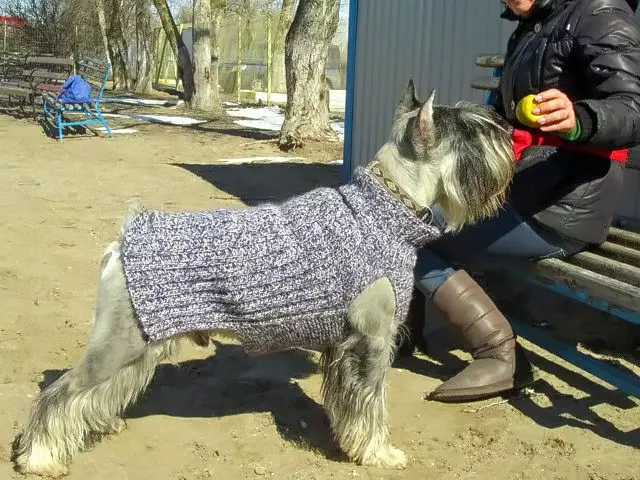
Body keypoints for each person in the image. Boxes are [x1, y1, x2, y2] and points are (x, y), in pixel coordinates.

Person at [412, 0, 640, 403]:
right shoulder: (534, 24)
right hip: (523, 190)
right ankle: (399, 333)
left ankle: (502, 357)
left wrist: (581, 120)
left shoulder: (600, 12)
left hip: (566, 205)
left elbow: (632, 107)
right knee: (408, 219)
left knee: (413, 241)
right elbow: (508, 114)